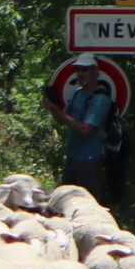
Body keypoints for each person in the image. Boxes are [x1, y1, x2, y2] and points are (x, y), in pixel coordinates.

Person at [46, 54, 116, 200]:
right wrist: (53, 107)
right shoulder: (78, 93)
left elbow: (85, 129)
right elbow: (62, 119)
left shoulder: (100, 99)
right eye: (78, 69)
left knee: (87, 202)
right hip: (72, 157)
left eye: (84, 70)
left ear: (94, 71)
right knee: (65, 201)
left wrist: (56, 110)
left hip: (90, 160)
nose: (80, 73)